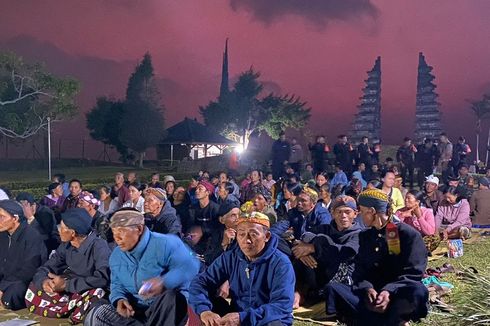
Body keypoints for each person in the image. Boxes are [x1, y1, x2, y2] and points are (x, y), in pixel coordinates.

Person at [324, 189, 428, 325]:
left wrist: (388, 291)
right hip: (372, 297)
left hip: (397, 292)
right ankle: (389, 320)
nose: (359, 215)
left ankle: (388, 318)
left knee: (418, 291)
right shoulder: (365, 236)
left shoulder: (407, 234)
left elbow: (414, 273)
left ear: (371, 211)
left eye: (361, 210)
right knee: (333, 288)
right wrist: (367, 288)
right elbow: (360, 271)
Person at [85, 209, 200, 326]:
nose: (117, 238)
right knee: (97, 313)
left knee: (170, 297)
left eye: (121, 231)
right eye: (114, 232)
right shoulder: (116, 255)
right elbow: (116, 284)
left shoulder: (165, 243)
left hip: (165, 311)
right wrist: (119, 299)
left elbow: (191, 266)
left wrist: (163, 282)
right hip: (136, 312)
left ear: (139, 229)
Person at [189, 211, 295, 326]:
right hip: (236, 315)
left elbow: (281, 305)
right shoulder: (230, 257)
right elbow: (200, 283)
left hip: (264, 320)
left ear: (267, 236)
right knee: (196, 306)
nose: (247, 240)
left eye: (253, 234)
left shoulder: (281, 263)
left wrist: (242, 318)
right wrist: (204, 311)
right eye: (241, 234)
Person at [27, 208, 111, 324]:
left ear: (72, 233)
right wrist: (44, 281)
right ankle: (70, 309)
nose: (59, 230)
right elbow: (48, 266)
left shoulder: (99, 246)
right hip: (69, 287)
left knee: (96, 294)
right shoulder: (66, 245)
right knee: (34, 286)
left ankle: (74, 310)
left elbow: (102, 278)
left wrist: (67, 285)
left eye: (62, 228)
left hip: (87, 288)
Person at [291, 196, 362, 306]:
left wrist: (314, 247)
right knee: (300, 254)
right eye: (339, 212)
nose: (343, 216)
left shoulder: (359, 234)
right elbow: (305, 236)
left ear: (355, 214)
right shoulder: (325, 229)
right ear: (332, 214)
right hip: (320, 274)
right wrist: (303, 253)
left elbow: (344, 252)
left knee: (323, 241)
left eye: (347, 212)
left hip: (342, 278)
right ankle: (299, 292)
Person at [0, 200, 47, 310]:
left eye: (2, 217)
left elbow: (29, 270)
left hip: (23, 280)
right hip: (5, 278)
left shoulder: (31, 236)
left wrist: (2, 287)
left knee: (12, 294)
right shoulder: (2, 235)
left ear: (15, 219)